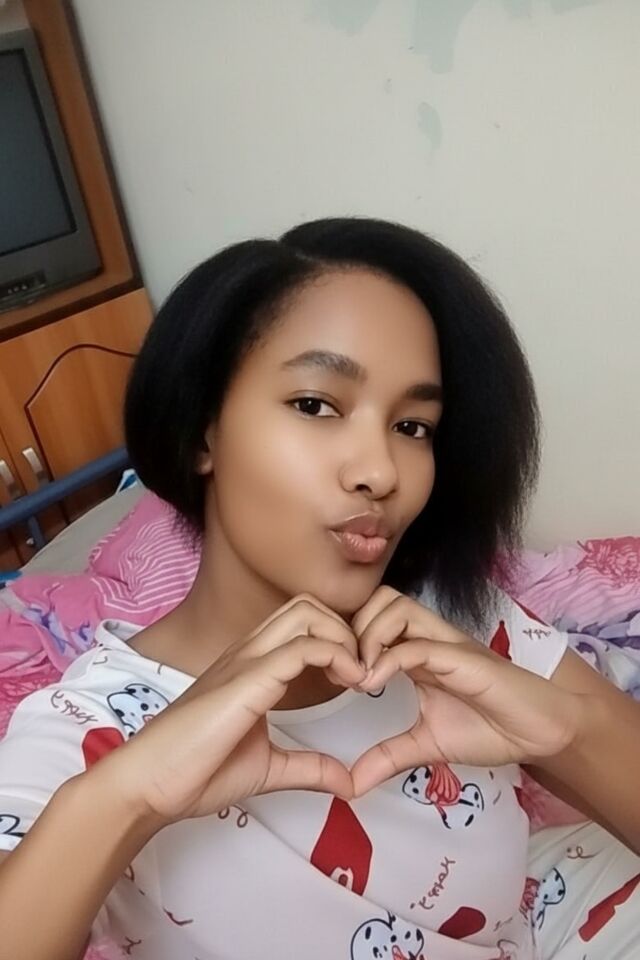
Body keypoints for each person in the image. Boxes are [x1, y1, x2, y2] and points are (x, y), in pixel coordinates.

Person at [0, 218, 638, 960]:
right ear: (203, 430)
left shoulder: (454, 623)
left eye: (413, 426)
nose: (382, 472)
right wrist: (128, 799)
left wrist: (565, 734)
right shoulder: (88, 728)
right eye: (315, 405)